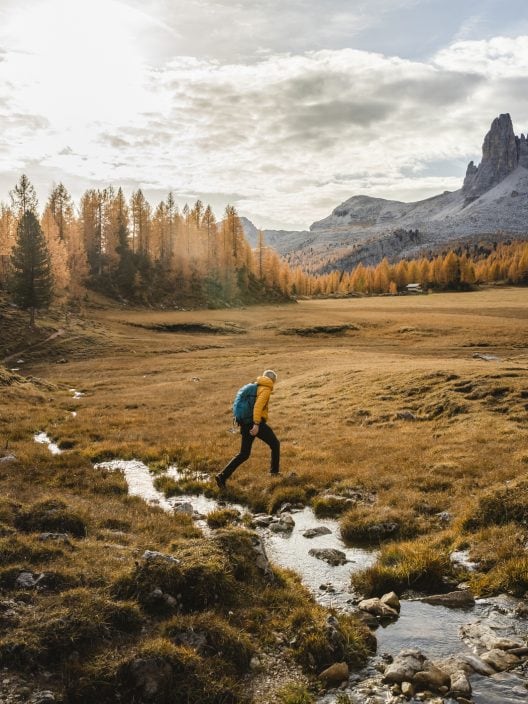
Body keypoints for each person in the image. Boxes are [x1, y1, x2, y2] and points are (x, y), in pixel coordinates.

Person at [216, 369, 280, 488]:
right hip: (254, 423)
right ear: (272, 380)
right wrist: (256, 424)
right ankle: (274, 473)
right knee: (275, 444)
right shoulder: (265, 389)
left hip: (245, 423)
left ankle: (222, 476)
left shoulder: (255, 386)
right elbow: (257, 407)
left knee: (244, 453)